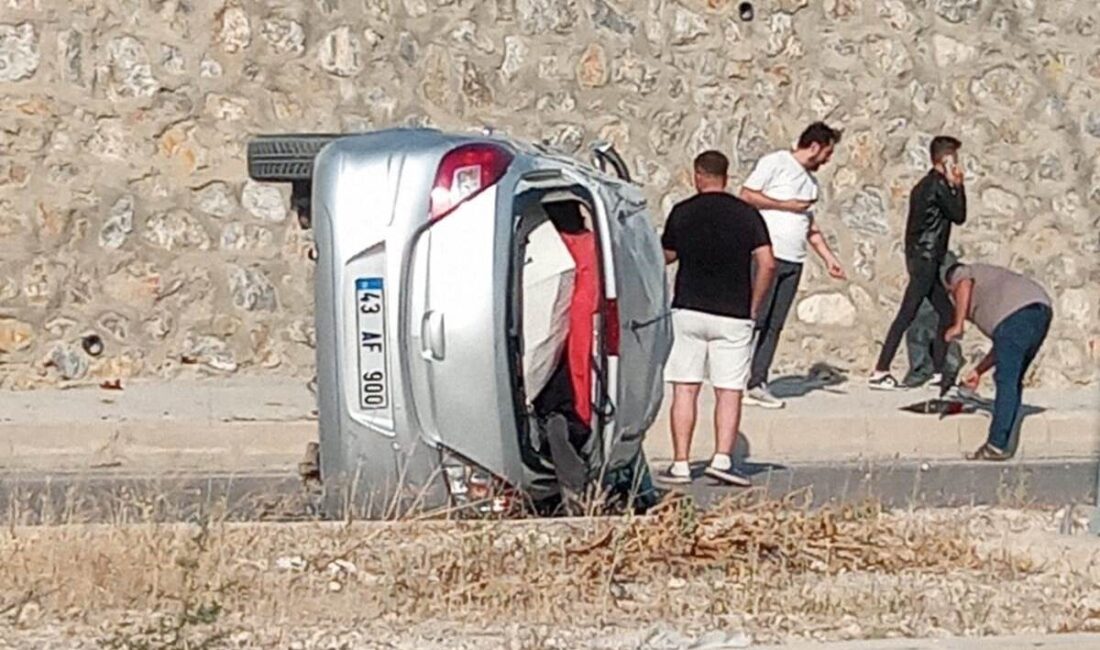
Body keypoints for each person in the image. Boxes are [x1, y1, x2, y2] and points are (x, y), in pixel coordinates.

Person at [661, 150, 776, 486]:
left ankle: (681, 463)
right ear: (726, 176)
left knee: (685, 389)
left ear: (698, 175)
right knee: (729, 389)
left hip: (688, 310)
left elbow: (665, 255)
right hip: (733, 312)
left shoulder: (682, 212)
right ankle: (722, 459)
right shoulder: (747, 215)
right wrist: (754, 304)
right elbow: (768, 263)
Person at [738, 122, 846, 409]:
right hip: (767, 256)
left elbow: (809, 225)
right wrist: (785, 206)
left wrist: (828, 258)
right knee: (754, 318)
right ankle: (736, 378)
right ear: (814, 147)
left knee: (774, 324)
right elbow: (747, 195)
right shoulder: (775, 162)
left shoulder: (812, 184)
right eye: (827, 152)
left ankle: (757, 381)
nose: (827, 160)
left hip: (794, 259)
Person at [869, 136, 966, 391]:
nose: (957, 163)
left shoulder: (923, 185)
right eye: (954, 158)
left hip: (922, 257)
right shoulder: (937, 186)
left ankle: (938, 370)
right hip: (927, 258)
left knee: (946, 313)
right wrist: (959, 186)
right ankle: (880, 370)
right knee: (907, 313)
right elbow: (959, 216)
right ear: (945, 160)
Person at [943, 262, 1053, 460]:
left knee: (1006, 380)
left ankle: (996, 445)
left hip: (1019, 315)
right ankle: (1001, 442)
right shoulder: (997, 298)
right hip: (1040, 311)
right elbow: (1003, 346)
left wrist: (958, 325)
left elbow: (963, 282)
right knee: (1012, 379)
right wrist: (978, 371)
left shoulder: (962, 273)